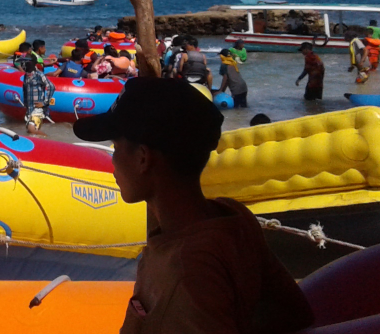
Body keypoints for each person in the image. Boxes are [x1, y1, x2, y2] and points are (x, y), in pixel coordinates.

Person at [73, 80, 313, 334]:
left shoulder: (187, 271)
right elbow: (295, 314)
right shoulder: (232, 216)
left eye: (116, 148)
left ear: (143, 158)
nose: (112, 162)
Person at [20, 57, 54, 136]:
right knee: (30, 131)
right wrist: (25, 103)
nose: (23, 66)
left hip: (37, 109)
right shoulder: (26, 76)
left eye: (25, 64)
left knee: (31, 129)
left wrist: (45, 102)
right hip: (30, 108)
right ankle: (42, 144)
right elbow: (25, 89)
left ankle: (49, 139)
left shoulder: (39, 75)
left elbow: (51, 86)